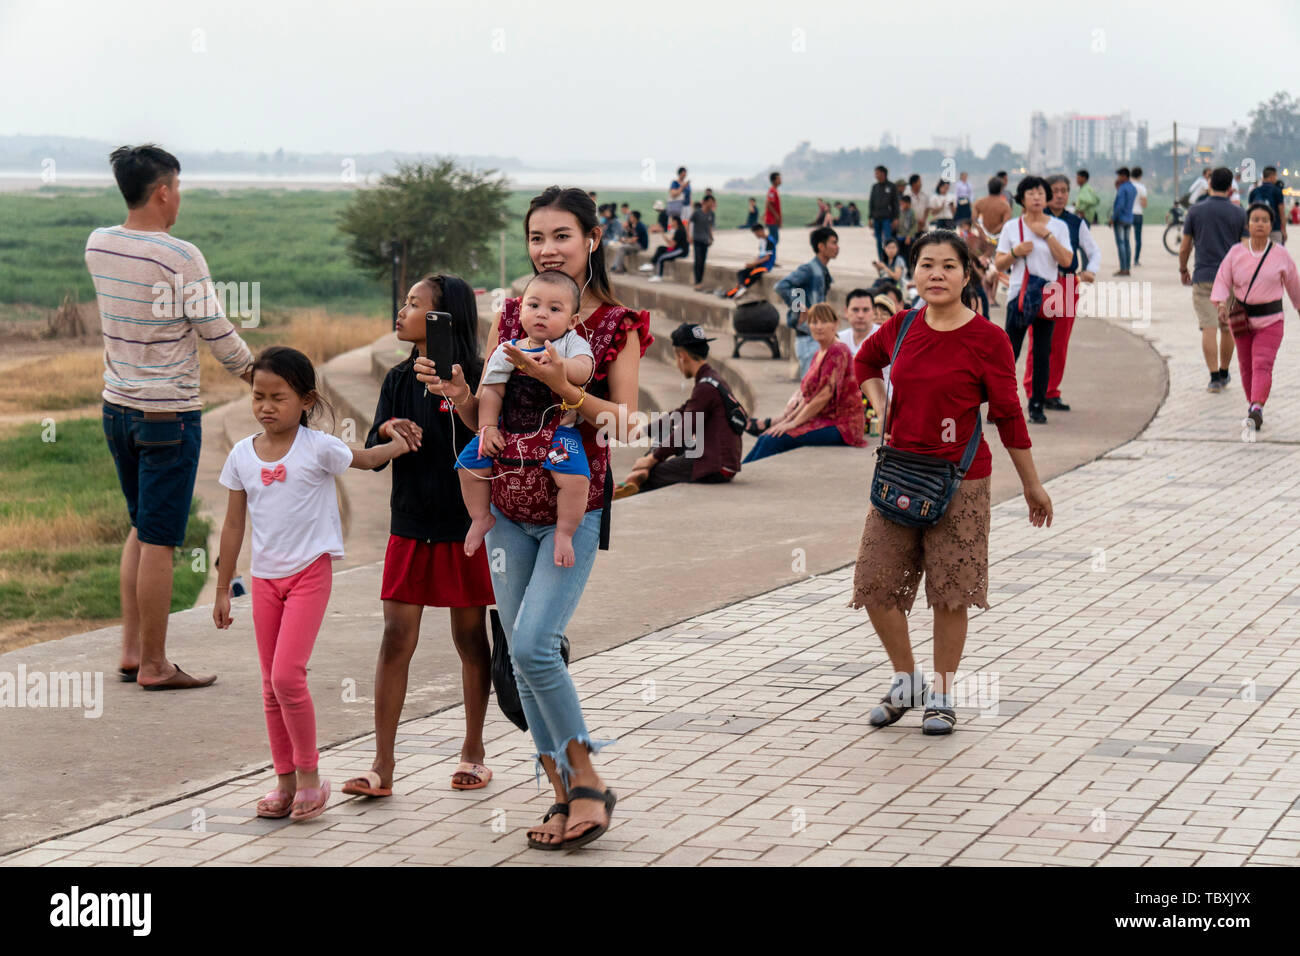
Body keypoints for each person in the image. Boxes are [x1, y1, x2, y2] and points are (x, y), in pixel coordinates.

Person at [414, 186, 651, 851]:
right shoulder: (514, 315)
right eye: (536, 238)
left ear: (593, 240)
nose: (548, 249)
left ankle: (588, 779)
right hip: (509, 508)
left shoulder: (616, 325)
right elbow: (481, 414)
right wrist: (460, 394)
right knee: (521, 659)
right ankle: (558, 793)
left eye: (562, 237)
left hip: (572, 506)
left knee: (532, 645)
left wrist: (563, 386)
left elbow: (627, 422)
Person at [852, 230, 1052, 735]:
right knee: (875, 585)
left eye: (947, 266)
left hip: (960, 482)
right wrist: (883, 408)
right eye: (926, 265)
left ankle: (941, 694)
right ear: (913, 273)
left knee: (950, 593)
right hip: (898, 472)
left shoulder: (988, 339)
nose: (936, 274)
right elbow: (864, 362)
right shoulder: (900, 327)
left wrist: (1032, 484)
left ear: (968, 275)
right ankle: (907, 681)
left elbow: (1008, 415)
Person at [213, 346, 410, 822]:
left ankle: (308, 777)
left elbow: (363, 460)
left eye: (277, 397)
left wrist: (398, 446)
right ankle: (283, 782)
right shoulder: (242, 455)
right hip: (264, 581)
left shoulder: (318, 447)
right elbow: (234, 525)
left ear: (306, 400)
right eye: (258, 396)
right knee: (268, 686)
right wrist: (223, 587)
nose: (265, 406)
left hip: (308, 575)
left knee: (286, 676)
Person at [87, 144, 256, 690]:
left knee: (141, 527)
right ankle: (156, 665)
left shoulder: (99, 244)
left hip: (117, 409)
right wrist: (264, 378)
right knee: (161, 537)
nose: (178, 198)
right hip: (168, 416)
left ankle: (133, 651)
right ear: (163, 191)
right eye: (177, 188)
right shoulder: (180, 256)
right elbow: (218, 335)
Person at [341, 274, 497, 801]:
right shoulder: (397, 378)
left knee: (471, 640)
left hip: (463, 529)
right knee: (395, 639)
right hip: (409, 524)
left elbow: (492, 444)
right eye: (405, 301)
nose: (402, 310)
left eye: (414, 304)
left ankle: (473, 752)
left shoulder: (474, 376)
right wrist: (388, 432)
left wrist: (462, 400)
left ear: (442, 319)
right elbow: (370, 446)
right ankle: (382, 765)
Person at [455, 271, 595, 567]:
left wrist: (561, 366)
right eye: (534, 306)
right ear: (520, 312)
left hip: (556, 432)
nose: (542, 314)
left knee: (575, 478)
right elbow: (492, 391)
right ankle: (480, 517)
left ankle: (565, 532)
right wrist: (488, 427)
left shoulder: (570, 344)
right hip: (510, 429)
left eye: (554, 309)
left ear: (571, 320)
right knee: (468, 464)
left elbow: (585, 370)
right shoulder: (508, 350)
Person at [616, 323, 742, 496]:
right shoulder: (713, 379)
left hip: (716, 466)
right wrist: (643, 431)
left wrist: (652, 459)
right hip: (720, 458)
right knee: (662, 437)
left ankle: (631, 484)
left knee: (653, 474)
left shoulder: (705, 388)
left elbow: (685, 431)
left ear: (681, 356)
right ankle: (637, 475)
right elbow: (680, 413)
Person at [1211, 203, 1300, 431]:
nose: (1259, 224)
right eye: (1255, 220)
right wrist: (1221, 304)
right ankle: (1253, 403)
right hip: (1241, 320)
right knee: (1245, 365)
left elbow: (1293, 285)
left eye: (1264, 220)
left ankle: (1257, 407)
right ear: (1248, 225)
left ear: (1271, 225)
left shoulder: (1281, 255)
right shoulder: (1236, 253)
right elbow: (1222, 279)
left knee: (1262, 363)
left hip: (1271, 320)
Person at [994, 176, 1073, 424]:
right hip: (1019, 294)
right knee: (1009, 353)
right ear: (1022, 199)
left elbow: (1067, 261)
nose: (1037, 197)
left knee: (1042, 352)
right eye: (1031, 193)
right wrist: (1016, 253)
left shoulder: (1058, 226)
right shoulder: (1011, 227)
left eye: (1041, 192)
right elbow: (999, 263)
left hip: (1049, 295)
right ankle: (1000, 405)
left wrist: (1047, 236)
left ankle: (1036, 405)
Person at [743, 303, 866, 462]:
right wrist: (788, 420)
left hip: (842, 424)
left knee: (774, 439)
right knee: (767, 436)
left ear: (836, 324)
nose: (819, 327)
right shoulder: (819, 353)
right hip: (823, 417)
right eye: (814, 322)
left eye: (824, 322)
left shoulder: (838, 350)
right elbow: (809, 397)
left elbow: (823, 396)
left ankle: (742, 471)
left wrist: (793, 424)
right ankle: (741, 469)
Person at [1020, 174, 1102, 412]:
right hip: (1040, 284)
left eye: (1064, 190)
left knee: (1060, 342)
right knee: (1038, 341)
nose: (1060, 195)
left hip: (1066, 284)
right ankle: (1033, 390)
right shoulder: (1033, 221)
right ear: (1045, 194)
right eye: (1054, 191)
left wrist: (1091, 271)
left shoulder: (1075, 222)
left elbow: (1093, 251)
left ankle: (1051, 391)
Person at [1180, 166, 1246, 393]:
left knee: (1208, 327)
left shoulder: (1195, 212)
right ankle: (1225, 371)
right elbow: (1246, 250)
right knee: (1227, 327)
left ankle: (1214, 377)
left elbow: (1185, 247)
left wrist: (1183, 269)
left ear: (1209, 184)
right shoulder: (1239, 213)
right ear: (1230, 188)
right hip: (1231, 280)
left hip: (1203, 276)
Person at [775, 226, 839, 378]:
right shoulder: (809, 269)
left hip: (817, 336)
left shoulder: (823, 271)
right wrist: (800, 306)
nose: (837, 247)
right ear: (821, 246)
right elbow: (782, 286)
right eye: (833, 243)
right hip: (808, 338)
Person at [724, 223, 777, 299]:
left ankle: (740, 290)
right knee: (741, 273)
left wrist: (753, 264)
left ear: (761, 231)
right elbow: (760, 255)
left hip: (766, 266)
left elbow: (767, 258)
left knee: (752, 274)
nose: (756, 236)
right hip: (759, 264)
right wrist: (753, 263)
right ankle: (735, 290)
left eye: (756, 233)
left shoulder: (769, 240)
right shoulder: (762, 241)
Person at [1248, 166, 1288, 245]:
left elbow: (1249, 212)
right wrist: (1284, 230)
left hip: (1257, 229)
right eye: (1275, 176)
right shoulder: (1277, 191)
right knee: (1275, 254)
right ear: (1272, 176)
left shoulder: (1254, 191)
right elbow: (1282, 213)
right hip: (1274, 228)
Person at [1109, 167, 1137, 276]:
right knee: (1126, 243)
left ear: (1124, 176)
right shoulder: (1132, 188)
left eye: (1119, 176)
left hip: (1120, 219)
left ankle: (1123, 268)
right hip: (1129, 218)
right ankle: (1127, 268)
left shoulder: (1122, 188)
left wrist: (1113, 218)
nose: (1118, 178)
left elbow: (1119, 205)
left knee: (1121, 244)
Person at [869, 166, 900, 262]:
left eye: (877, 173)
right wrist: (870, 218)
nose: (876, 175)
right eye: (875, 173)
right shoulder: (875, 187)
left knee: (888, 241)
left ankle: (890, 261)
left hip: (887, 219)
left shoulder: (892, 186)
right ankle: (882, 261)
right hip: (876, 218)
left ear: (883, 173)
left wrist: (896, 218)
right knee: (878, 241)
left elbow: (895, 203)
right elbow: (871, 203)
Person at [646, 213, 688, 281]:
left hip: (681, 251)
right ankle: (652, 264)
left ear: (675, 221)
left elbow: (671, 245)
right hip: (675, 248)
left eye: (671, 221)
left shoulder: (680, 231)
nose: (670, 223)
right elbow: (671, 243)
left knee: (661, 257)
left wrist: (662, 233)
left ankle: (658, 276)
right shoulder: (678, 230)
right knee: (660, 248)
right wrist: (662, 233)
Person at [689, 194, 716, 290]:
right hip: (697, 239)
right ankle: (697, 282)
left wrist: (711, 238)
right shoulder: (697, 213)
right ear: (705, 202)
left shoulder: (711, 214)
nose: (712, 204)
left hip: (705, 240)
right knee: (698, 261)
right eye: (711, 201)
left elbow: (710, 227)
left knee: (703, 262)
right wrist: (689, 236)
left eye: (713, 202)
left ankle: (700, 281)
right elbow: (690, 223)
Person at [1130, 166, 1148, 266]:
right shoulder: (1142, 188)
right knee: (1138, 238)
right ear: (1140, 176)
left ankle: (1126, 259)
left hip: (1128, 214)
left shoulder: (1127, 186)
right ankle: (1136, 260)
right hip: (1138, 214)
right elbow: (1144, 204)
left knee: (1126, 238)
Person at [764, 171, 783, 257]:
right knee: (773, 239)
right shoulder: (772, 190)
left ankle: (769, 257)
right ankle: (768, 257)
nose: (780, 180)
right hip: (772, 220)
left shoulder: (775, 190)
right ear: (774, 180)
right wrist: (776, 216)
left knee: (773, 239)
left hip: (773, 219)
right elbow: (769, 204)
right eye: (779, 178)